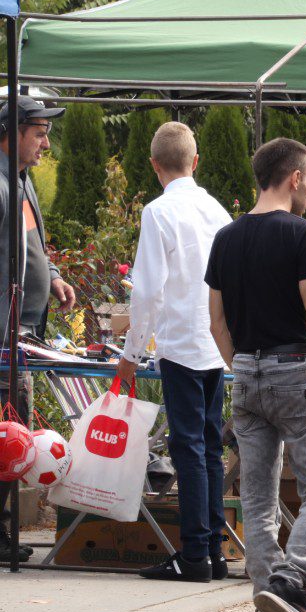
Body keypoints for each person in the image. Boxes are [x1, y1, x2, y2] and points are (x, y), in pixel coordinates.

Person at [206, 137, 306, 612]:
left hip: (245, 373)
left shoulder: (225, 238)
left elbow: (216, 322)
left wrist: (246, 367)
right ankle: (293, 580)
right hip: (296, 368)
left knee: (258, 495)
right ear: (293, 178)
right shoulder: (302, 234)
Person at [117, 122, 233, 583]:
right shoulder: (218, 210)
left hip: (181, 343)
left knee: (188, 446)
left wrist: (130, 352)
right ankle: (214, 550)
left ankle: (194, 554)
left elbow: (147, 292)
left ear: (153, 166)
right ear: (196, 161)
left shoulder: (158, 211)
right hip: (214, 343)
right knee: (208, 447)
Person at [0, 96, 74, 563]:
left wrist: (52, 276)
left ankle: (2, 531)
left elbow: (27, 244)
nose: (46, 142)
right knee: (8, 440)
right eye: (39, 132)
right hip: (3, 343)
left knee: (14, 438)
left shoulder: (20, 182)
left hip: (20, 337)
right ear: (11, 132)